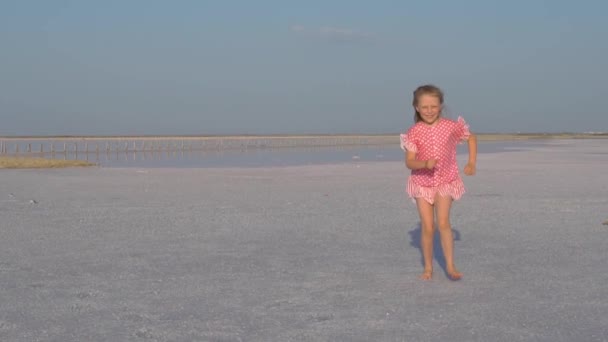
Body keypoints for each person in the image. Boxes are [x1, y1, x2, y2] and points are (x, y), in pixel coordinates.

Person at [400, 84, 477, 280]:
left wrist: (471, 162)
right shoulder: (414, 131)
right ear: (416, 107)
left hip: (445, 180)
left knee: (443, 223)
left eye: (433, 106)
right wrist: (424, 163)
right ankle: (428, 268)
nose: (429, 111)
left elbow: (471, 137)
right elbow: (409, 161)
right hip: (422, 183)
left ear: (440, 106)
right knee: (428, 226)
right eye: (424, 107)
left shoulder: (451, 126)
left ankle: (450, 266)